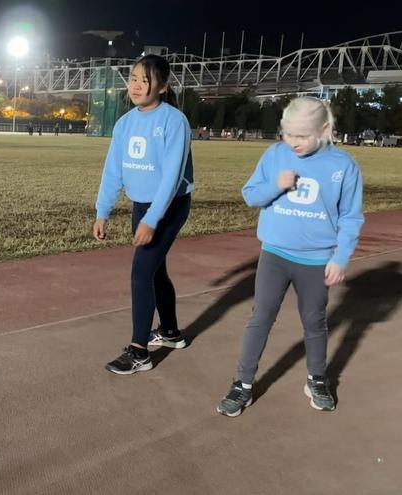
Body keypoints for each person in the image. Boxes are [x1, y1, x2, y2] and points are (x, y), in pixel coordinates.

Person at [216, 96, 364, 417]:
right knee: (261, 317)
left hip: (316, 261)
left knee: (314, 321)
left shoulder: (343, 166)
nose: (293, 143)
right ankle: (242, 383)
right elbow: (250, 195)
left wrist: (341, 257)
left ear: (324, 130)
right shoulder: (275, 155)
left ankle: (316, 378)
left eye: (302, 136)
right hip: (275, 255)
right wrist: (275, 185)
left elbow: (351, 217)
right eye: (288, 134)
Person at [93, 54, 195, 375]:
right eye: (133, 77)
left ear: (162, 87)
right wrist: (102, 211)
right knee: (154, 271)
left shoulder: (174, 121)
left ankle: (140, 351)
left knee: (141, 272)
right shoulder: (125, 123)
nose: (136, 85)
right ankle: (169, 332)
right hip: (141, 205)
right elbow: (113, 171)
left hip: (169, 206)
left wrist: (152, 220)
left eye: (145, 79)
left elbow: (172, 176)